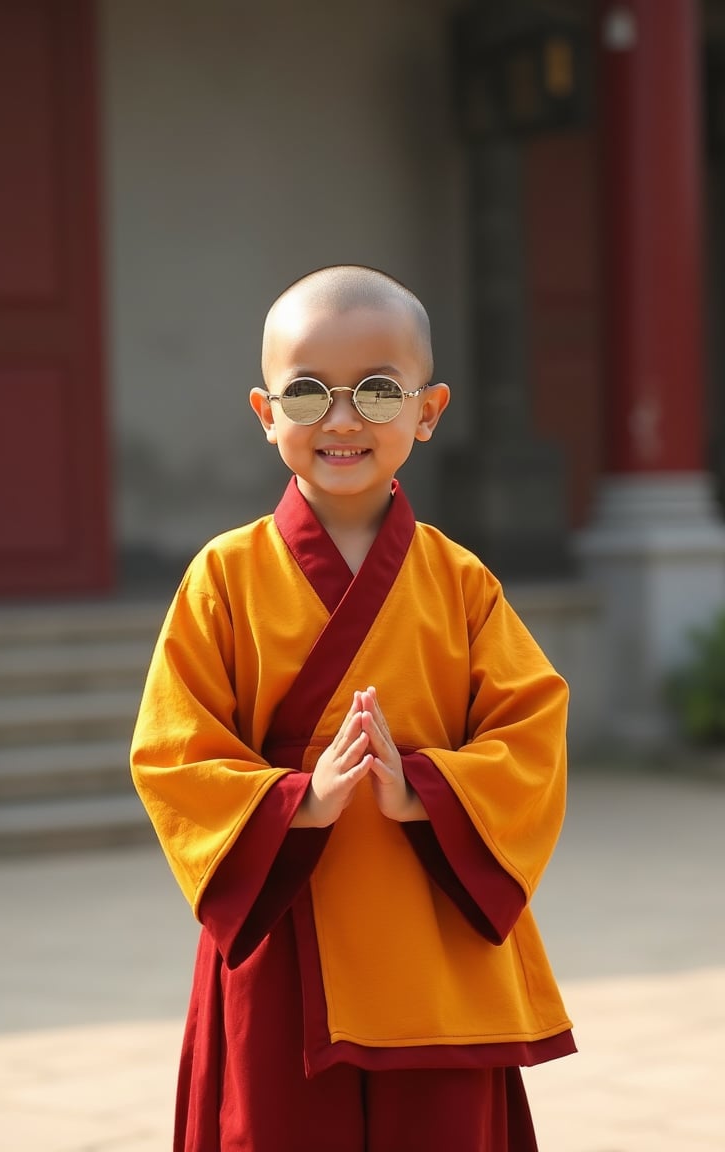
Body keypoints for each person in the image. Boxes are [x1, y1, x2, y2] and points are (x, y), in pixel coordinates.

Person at [130, 264, 575, 1152]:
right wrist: (300, 801)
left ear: (429, 409)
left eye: (377, 390)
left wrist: (426, 791)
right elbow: (172, 755)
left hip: (432, 930)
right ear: (265, 413)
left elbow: (533, 734)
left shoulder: (460, 581)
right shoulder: (224, 575)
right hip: (288, 927)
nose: (341, 419)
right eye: (307, 393)